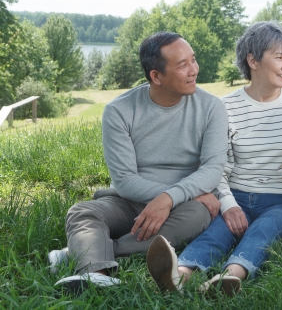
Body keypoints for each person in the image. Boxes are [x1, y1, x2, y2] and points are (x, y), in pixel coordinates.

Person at [50, 32, 229, 293]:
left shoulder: (212, 107)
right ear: (156, 76)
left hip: (185, 206)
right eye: (182, 65)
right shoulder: (119, 111)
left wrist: (172, 199)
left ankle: (83, 252)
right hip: (131, 200)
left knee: (198, 216)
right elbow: (125, 180)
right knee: (83, 211)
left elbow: (212, 169)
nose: (194, 70)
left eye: (193, 60)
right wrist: (169, 195)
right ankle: (95, 274)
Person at [146, 21, 282, 296]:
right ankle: (180, 275)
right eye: (279, 57)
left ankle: (230, 277)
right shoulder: (225, 107)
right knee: (216, 233)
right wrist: (229, 205)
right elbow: (215, 166)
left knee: (263, 232)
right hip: (236, 194)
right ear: (253, 60)